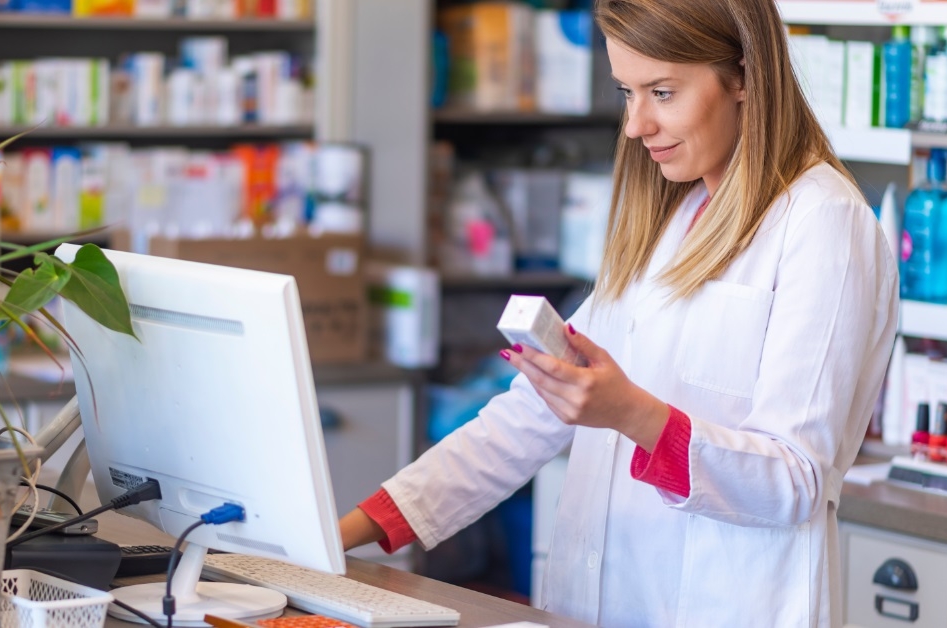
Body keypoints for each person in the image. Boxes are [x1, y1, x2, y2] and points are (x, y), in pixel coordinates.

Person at [340, 0, 899, 625]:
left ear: (745, 77)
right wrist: (355, 528)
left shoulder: (823, 222)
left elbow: (794, 479)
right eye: (627, 92)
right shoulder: (672, 217)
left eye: (662, 91)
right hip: (601, 603)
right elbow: (530, 416)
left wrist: (631, 413)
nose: (636, 125)